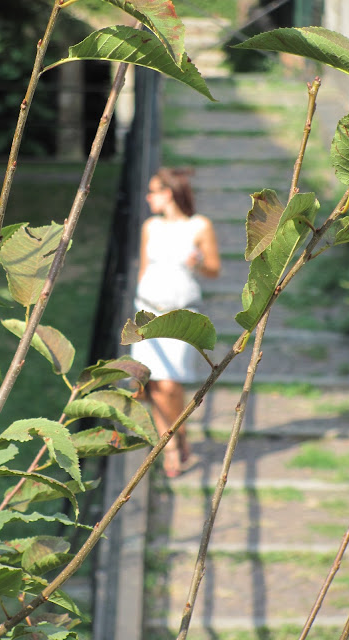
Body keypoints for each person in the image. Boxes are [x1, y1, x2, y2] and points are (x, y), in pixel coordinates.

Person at [131, 167, 220, 478]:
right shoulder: (150, 226)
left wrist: (199, 263)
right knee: (153, 385)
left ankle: (178, 434)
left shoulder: (199, 226)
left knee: (169, 384)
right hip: (147, 310)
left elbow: (214, 269)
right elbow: (143, 269)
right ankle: (171, 447)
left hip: (181, 314)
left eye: (153, 191)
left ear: (168, 193)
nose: (148, 197)